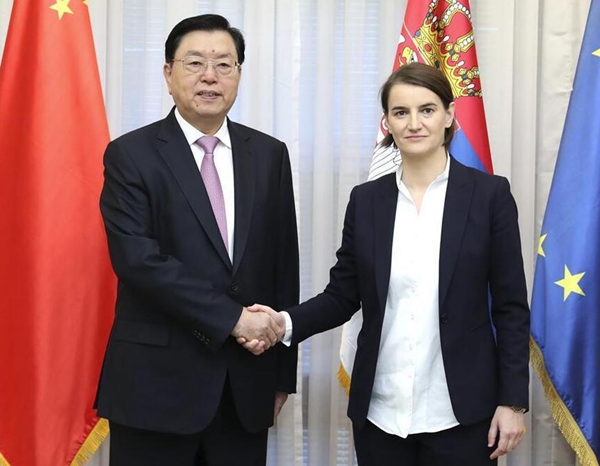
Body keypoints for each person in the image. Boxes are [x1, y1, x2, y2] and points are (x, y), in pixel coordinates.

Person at [241, 62, 530, 465]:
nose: (414, 123)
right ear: (387, 123)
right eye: (401, 112)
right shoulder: (366, 200)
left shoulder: (489, 196)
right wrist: (282, 324)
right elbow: (342, 295)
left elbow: (511, 308)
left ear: (449, 116)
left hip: (463, 415)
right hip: (380, 416)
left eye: (427, 110)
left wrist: (513, 402)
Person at [95, 14, 299, 466]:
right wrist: (233, 319)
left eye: (225, 64)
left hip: (245, 387)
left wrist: (282, 376)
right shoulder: (130, 154)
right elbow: (137, 260)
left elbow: (284, 264)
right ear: (168, 74)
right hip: (155, 388)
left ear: (239, 75)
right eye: (195, 63)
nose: (210, 75)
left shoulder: (269, 154)